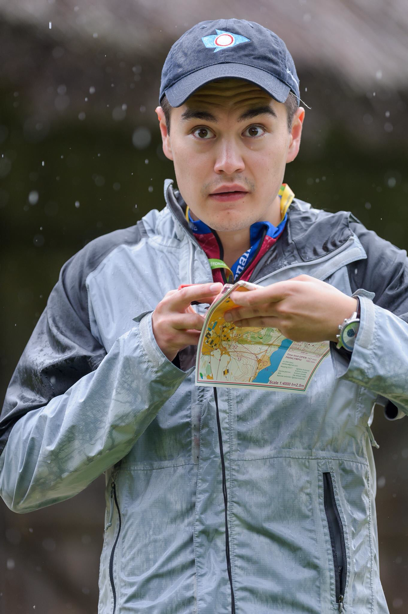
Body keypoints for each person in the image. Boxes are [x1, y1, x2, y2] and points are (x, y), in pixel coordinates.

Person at [0, 17, 407, 614]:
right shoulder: (98, 275)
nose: (228, 162)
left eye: (254, 129)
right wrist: (144, 358)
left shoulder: (360, 264)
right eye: (201, 131)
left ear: (294, 133)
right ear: (165, 133)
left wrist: (352, 325)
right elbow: (20, 476)